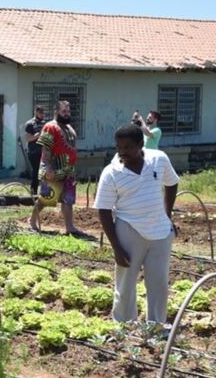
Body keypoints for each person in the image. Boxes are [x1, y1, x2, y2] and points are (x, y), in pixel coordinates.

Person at [95, 124, 179, 325]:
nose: (122, 151)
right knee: (125, 284)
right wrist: (116, 247)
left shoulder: (158, 159)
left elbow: (172, 182)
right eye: (118, 147)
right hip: (129, 231)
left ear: (141, 144)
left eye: (127, 147)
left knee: (159, 283)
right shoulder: (111, 173)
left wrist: (167, 215)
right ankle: (123, 325)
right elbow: (104, 211)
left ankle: (156, 327)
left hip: (160, 232)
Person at [29, 100, 83, 235]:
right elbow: (45, 148)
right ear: (56, 112)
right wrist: (47, 168)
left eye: (68, 111)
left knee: (68, 200)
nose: (66, 114)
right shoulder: (49, 127)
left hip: (68, 170)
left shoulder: (70, 128)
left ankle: (69, 227)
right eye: (64, 111)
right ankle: (32, 220)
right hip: (53, 168)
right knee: (46, 198)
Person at [22, 105, 48, 196]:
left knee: (44, 172)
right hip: (33, 152)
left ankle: (45, 193)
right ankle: (33, 193)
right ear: (36, 112)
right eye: (41, 112)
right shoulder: (30, 124)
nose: (42, 115)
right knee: (36, 172)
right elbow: (27, 138)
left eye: (43, 113)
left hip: (44, 152)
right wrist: (37, 135)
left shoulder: (45, 124)